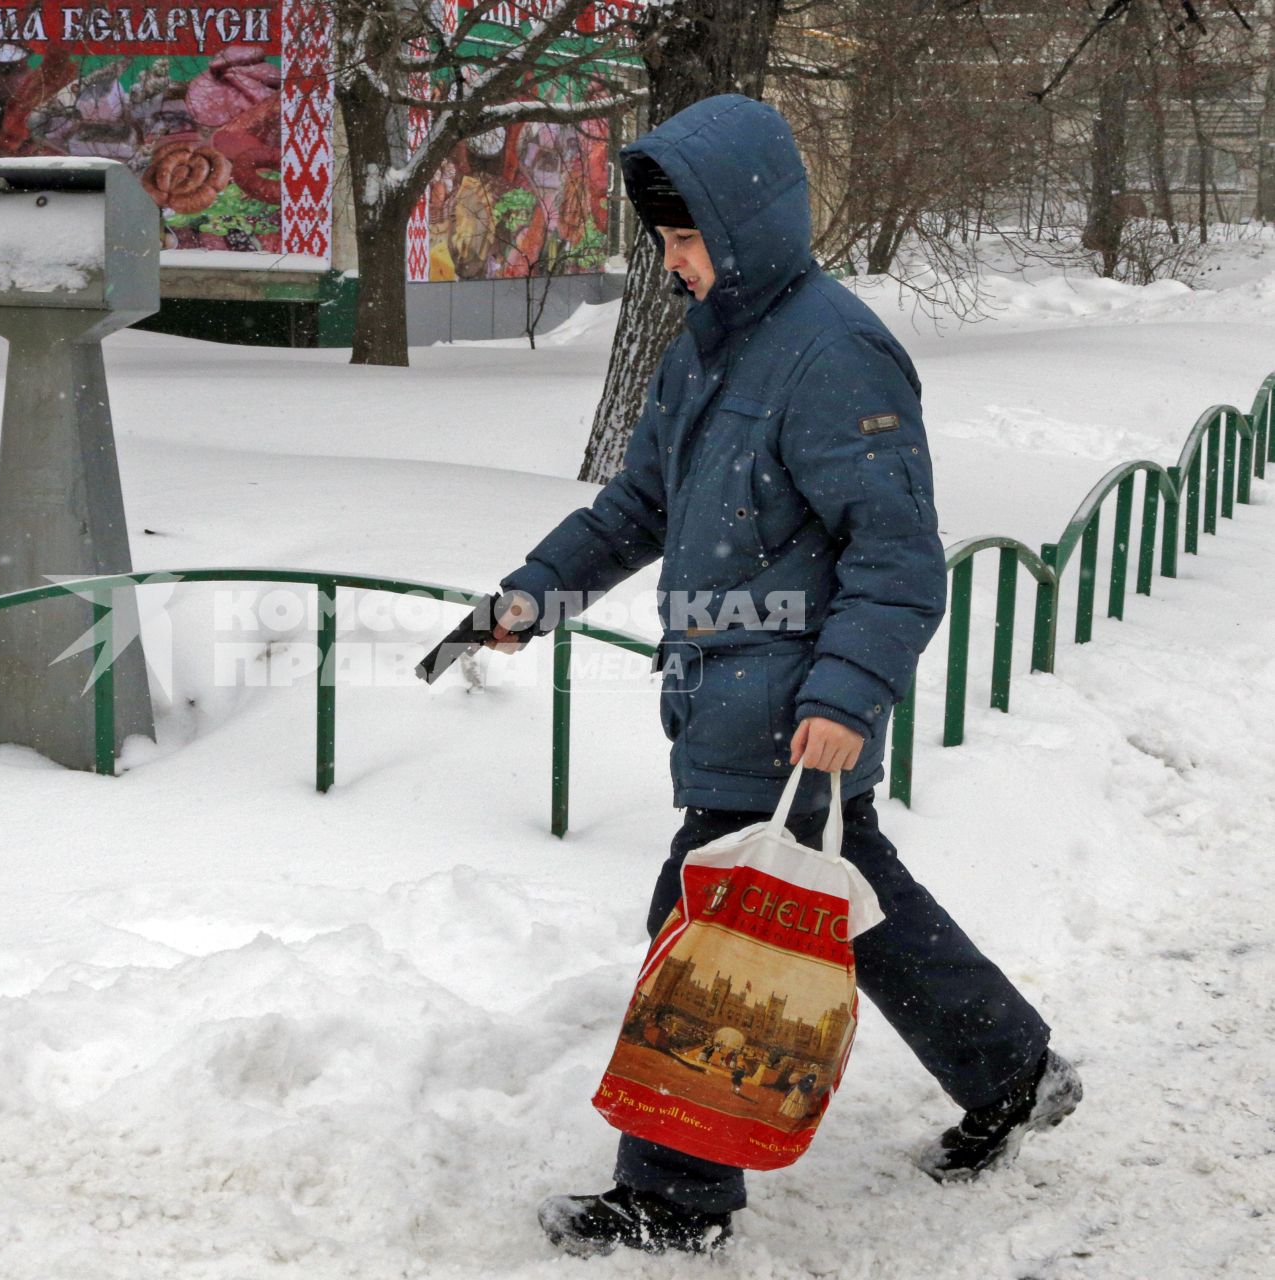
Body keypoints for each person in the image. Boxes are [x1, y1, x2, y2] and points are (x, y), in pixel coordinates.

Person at [467, 95, 1084, 1257]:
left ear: (749, 224)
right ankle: (1014, 1068)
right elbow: (639, 505)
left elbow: (896, 553)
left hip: (794, 711)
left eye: (687, 240)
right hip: (735, 701)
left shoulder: (834, 350)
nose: (673, 262)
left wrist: (847, 694)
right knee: (861, 908)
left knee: (702, 929)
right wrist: (534, 594)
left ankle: (676, 1193)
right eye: (662, 242)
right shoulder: (704, 346)